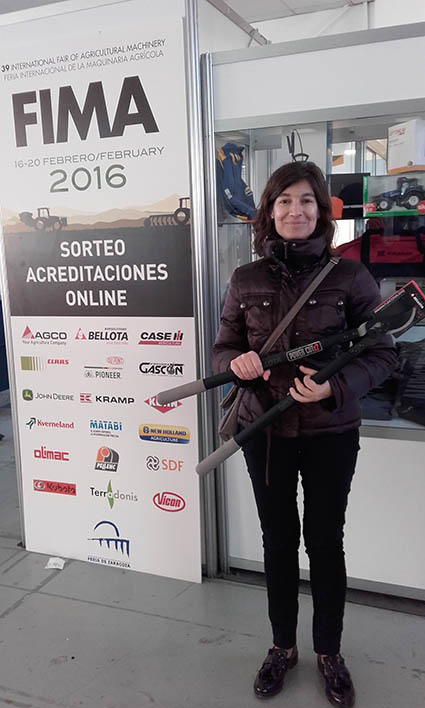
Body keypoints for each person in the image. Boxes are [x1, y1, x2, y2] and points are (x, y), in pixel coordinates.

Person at [212, 162, 396, 707]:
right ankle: (282, 647)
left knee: (325, 541)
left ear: (322, 211)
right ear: (269, 211)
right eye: (285, 201)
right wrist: (236, 362)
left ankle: (329, 652)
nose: (296, 211)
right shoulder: (245, 279)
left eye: (307, 201)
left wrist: (334, 387)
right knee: (277, 541)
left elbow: (384, 355)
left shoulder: (352, 277)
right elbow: (223, 347)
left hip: (330, 432)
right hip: (263, 430)